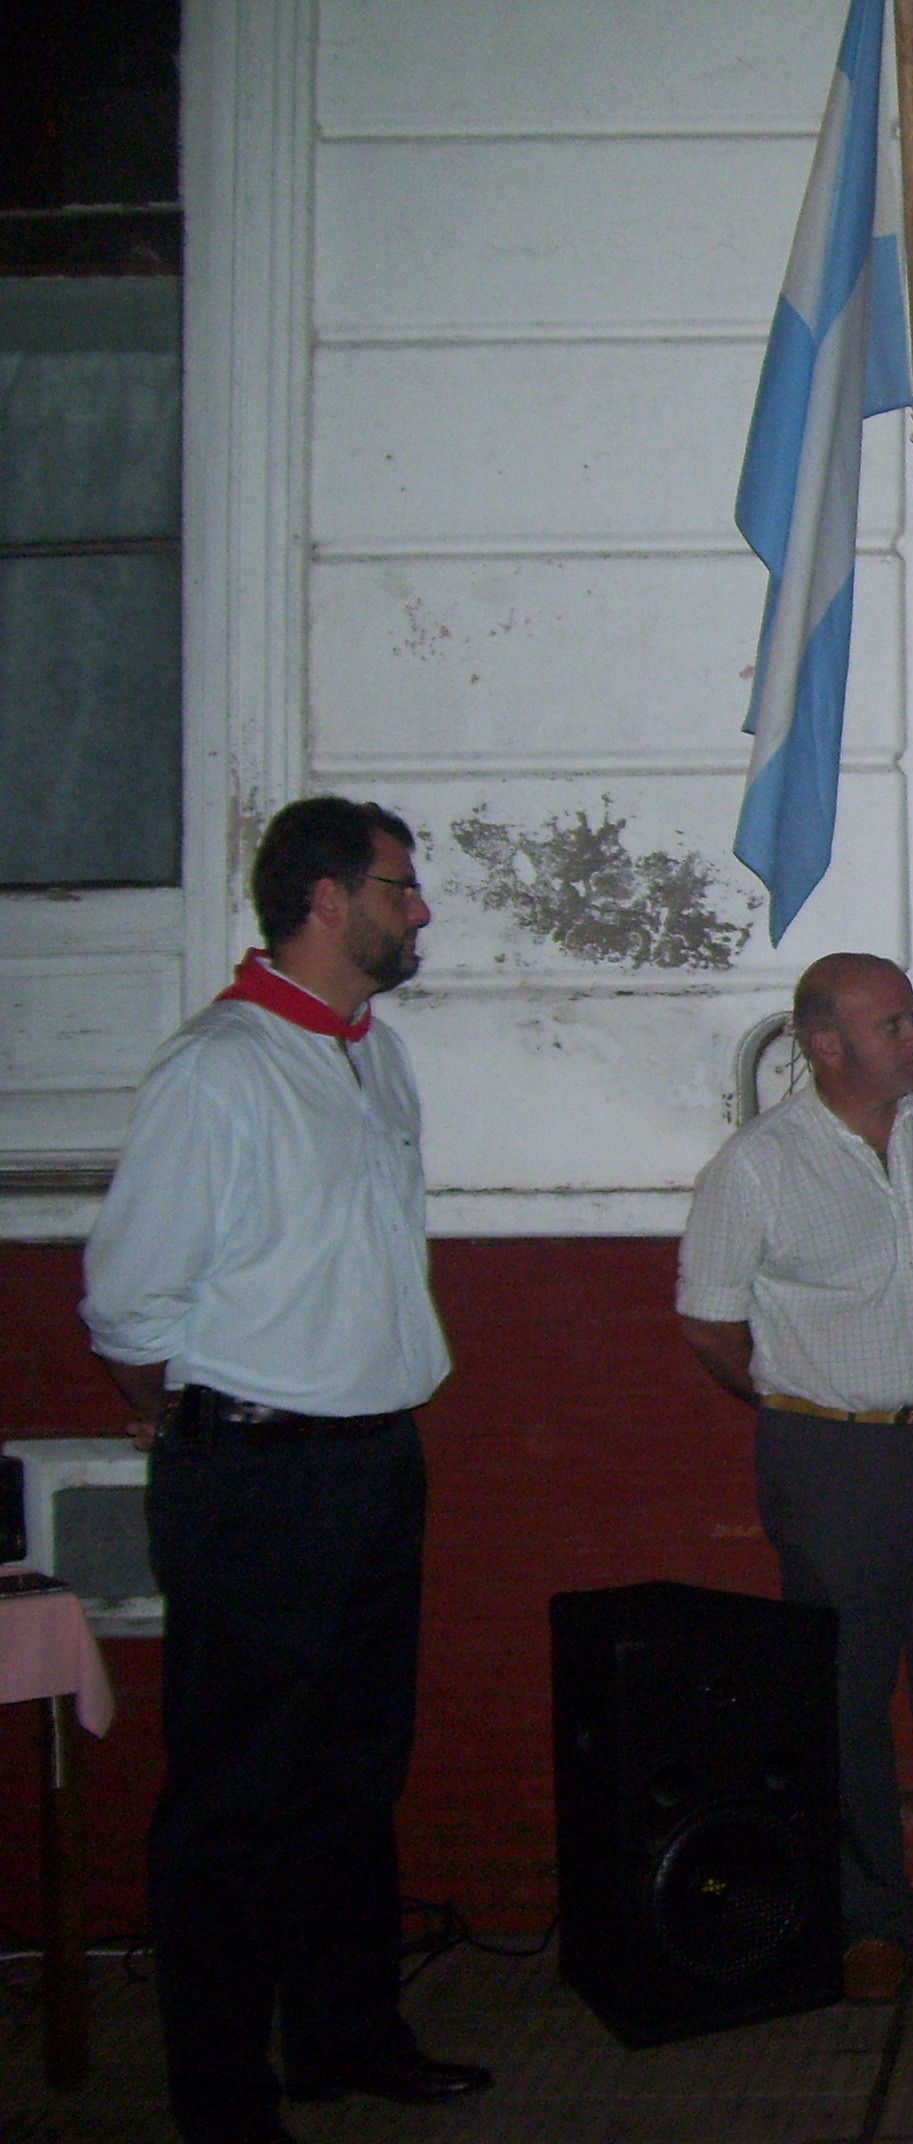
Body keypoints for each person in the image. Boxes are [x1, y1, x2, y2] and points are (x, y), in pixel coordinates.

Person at [82, 797, 486, 2144]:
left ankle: (343, 2037)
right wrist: (199, 1423)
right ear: (323, 900)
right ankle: (221, 2091)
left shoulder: (376, 1058)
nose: (417, 908)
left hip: (375, 1463)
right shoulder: (221, 1071)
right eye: (397, 886)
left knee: (352, 1776)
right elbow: (131, 1307)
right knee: (234, 1797)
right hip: (258, 1475)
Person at [676, 953, 913, 2001]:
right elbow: (707, 1321)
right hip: (828, 1458)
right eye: (893, 1023)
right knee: (842, 1695)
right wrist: (801, 1405)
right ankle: (866, 1920)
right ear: (826, 1043)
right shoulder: (759, 1163)